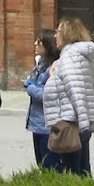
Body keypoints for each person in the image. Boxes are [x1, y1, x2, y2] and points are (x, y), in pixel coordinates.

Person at [42, 17, 94, 176]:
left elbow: (76, 91)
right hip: (79, 122)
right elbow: (93, 90)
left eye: (58, 32)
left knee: (72, 172)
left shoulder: (70, 57)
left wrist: (82, 123)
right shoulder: (81, 56)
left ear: (67, 34)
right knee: (82, 169)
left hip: (71, 123)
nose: (55, 36)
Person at [23, 29, 58, 165]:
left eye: (39, 41)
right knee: (41, 164)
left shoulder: (53, 67)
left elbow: (46, 94)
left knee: (49, 165)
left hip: (47, 125)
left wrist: (30, 87)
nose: (35, 43)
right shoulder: (41, 64)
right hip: (37, 123)